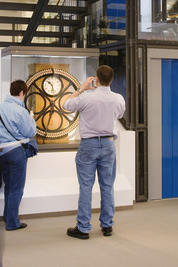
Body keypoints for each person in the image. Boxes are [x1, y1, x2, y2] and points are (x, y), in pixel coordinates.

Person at [63, 65, 126, 239]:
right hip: (108, 145)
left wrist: (81, 89)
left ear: (96, 80)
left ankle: (83, 228)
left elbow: (66, 104)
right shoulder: (118, 99)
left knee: (85, 187)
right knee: (107, 186)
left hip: (88, 145)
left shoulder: (86, 98)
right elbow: (120, 115)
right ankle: (107, 226)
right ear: (111, 80)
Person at [0, 79, 37, 231]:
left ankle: (7, 217)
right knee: (17, 188)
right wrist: (32, 120)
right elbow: (30, 132)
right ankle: (12, 223)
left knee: (9, 187)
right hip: (16, 152)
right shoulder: (21, 110)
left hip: (0, 152)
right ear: (21, 93)